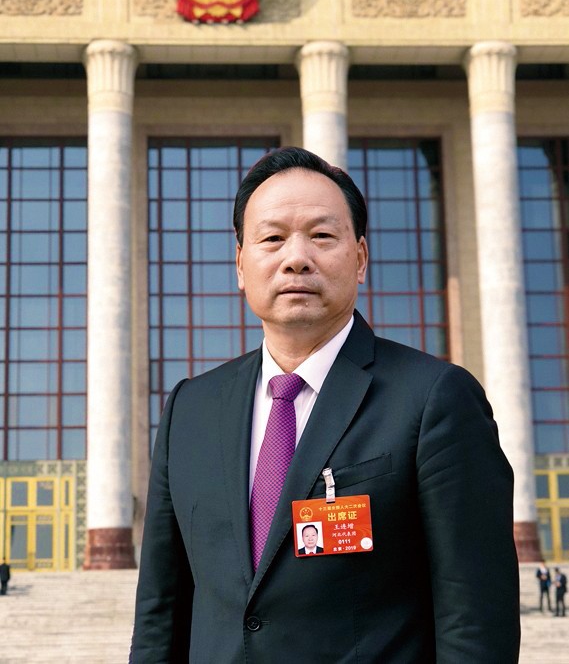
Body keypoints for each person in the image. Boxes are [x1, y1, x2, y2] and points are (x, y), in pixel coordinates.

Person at [131, 146, 520, 662]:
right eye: (272, 238)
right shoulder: (191, 409)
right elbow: (159, 614)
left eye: (321, 236)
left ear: (360, 258)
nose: (296, 258)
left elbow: (475, 622)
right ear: (241, 264)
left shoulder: (434, 399)